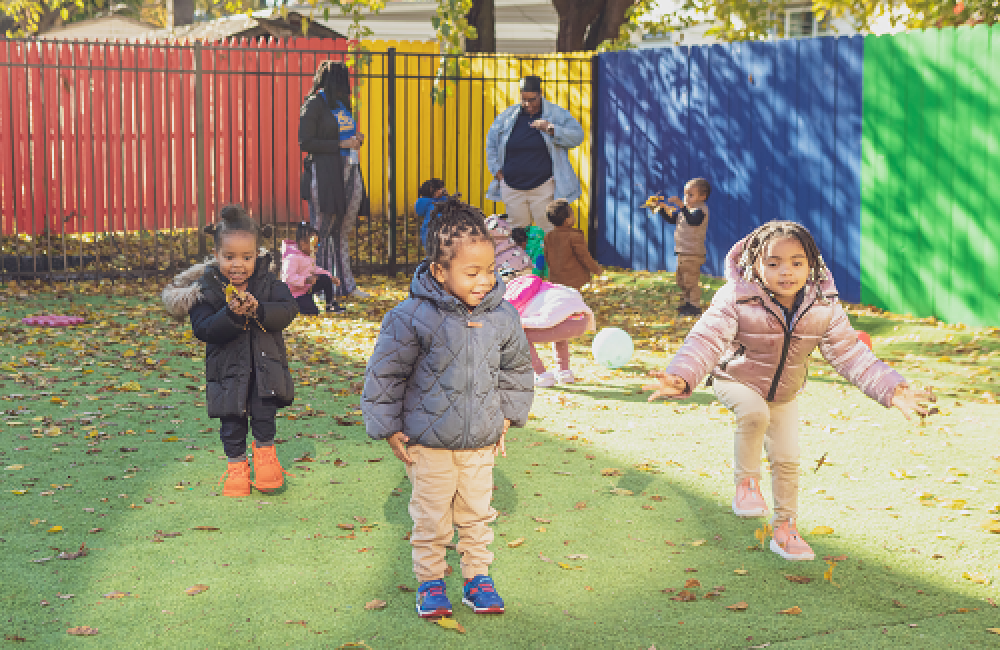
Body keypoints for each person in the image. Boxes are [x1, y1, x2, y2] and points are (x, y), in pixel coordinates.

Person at [644, 221, 930, 561]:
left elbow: (851, 355)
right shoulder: (737, 297)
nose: (786, 271)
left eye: (797, 262)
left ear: (812, 264)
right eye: (774, 262)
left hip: (783, 393)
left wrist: (893, 391)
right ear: (755, 263)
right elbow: (706, 339)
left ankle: (785, 530)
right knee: (753, 413)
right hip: (735, 379)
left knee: (788, 459)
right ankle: (746, 484)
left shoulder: (823, 305)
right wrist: (681, 376)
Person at [361, 197, 533, 618]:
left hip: (480, 441)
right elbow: (386, 375)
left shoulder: (503, 316)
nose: (483, 280)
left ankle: (478, 578)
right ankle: (431, 581)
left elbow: (516, 369)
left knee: (477, 514)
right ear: (440, 271)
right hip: (429, 441)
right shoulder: (411, 317)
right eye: (471, 272)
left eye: (490, 270)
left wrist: (507, 416)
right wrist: (388, 427)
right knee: (432, 516)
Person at [161, 206, 298, 497]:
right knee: (232, 421)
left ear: (257, 254)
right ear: (216, 254)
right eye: (229, 257)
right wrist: (233, 315)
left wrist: (258, 310)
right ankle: (237, 468)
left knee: (264, 416)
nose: (238, 265)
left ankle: (265, 460)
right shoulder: (207, 289)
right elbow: (204, 329)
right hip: (227, 372)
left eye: (246, 257)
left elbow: (287, 311)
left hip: (265, 369)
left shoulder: (269, 283)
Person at [299, 60, 370, 301]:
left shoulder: (341, 104)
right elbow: (305, 142)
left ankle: (345, 286)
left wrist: (355, 139)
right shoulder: (314, 104)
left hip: (349, 169)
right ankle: (313, 285)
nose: (345, 88)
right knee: (321, 229)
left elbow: (344, 135)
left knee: (341, 231)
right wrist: (339, 144)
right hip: (326, 173)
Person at [486, 75, 585, 233]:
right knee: (518, 235)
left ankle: (545, 259)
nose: (527, 104)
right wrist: (497, 172)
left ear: (541, 93)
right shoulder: (508, 117)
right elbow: (491, 143)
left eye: (532, 99)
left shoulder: (556, 114)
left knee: (548, 232)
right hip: (512, 187)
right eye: (524, 99)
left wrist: (551, 129)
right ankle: (522, 259)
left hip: (544, 187)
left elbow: (578, 136)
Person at [504, 273, 595, 387]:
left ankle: (540, 374)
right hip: (581, 320)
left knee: (518, 335)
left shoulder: (516, 297)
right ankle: (564, 372)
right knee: (560, 329)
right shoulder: (545, 287)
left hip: (562, 323)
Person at [651, 178, 711, 316]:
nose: (686, 198)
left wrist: (682, 207)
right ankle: (688, 303)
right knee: (681, 280)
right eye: (685, 195)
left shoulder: (700, 211)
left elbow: (693, 221)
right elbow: (672, 219)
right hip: (682, 252)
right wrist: (660, 209)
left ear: (703, 197)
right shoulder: (686, 212)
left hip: (693, 253)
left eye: (690, 195)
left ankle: (695, 306)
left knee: (691, 280)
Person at [280, 222, 345, 315]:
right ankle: (291, 306)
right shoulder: (291, 257)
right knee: (312, 312)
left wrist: (330, 276)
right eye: (314, 246)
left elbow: (314, 269)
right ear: (303, 243)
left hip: (306, 288)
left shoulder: (307, 255)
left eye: (317, 245)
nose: (316, 249)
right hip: (295, 293)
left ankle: (330, 304)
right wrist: (305, 280)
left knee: (325, 279)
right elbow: (287, 277)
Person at [543, 199, 602, 290]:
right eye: (572, 215)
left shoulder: (548, 236)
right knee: (574, 301)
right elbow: (584, 256)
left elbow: (547, 257)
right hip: (575, 280)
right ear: (567, 220)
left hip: (556, 280)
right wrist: (596, 269)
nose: (574, 217)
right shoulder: (574, 236)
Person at [416, 178, 448, 248]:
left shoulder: (443, 199)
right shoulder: (425, 201)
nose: (442, 190)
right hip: (430, 229)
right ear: (432, 190)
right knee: (431, 247)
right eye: (440, 188)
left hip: (445, 228)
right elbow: (420, 212)